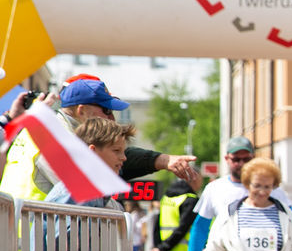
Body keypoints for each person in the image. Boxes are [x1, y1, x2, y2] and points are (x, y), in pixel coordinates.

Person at [2, 75, 199, 200]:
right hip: (29, 249)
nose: (112, 119)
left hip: (27, 241)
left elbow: (112, 154)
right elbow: (82, 193)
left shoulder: (52, 129)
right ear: (82, 110)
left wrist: (162, 160)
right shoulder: (53, 136)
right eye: (106, 110)